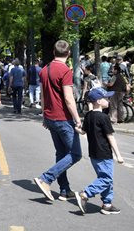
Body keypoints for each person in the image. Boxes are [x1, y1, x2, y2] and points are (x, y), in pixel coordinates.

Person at [34, 40, 82, 202]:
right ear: (68, 54)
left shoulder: (45, 69)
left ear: (54, 53)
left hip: (50, 117)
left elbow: (43, 95)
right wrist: (77, 119)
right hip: (63, 118)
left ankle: (64, 189)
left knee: (61, 154)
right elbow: (69, 99)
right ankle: (46, 178)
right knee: (75, 154)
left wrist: (44, 114)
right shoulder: (65, 70)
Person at [75, 87, 124, 215]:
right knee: (106, 179)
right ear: (98, 101)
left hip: (94, 154)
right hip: (104, 153)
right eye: (105, 98)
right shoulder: (103, 117)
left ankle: (107, 204)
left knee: (104, 178)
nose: (108, 100)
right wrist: (118, 155)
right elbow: (110, 137)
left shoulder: (88, 116)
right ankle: (85, 194)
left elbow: (83, 132)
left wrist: (77, 129)